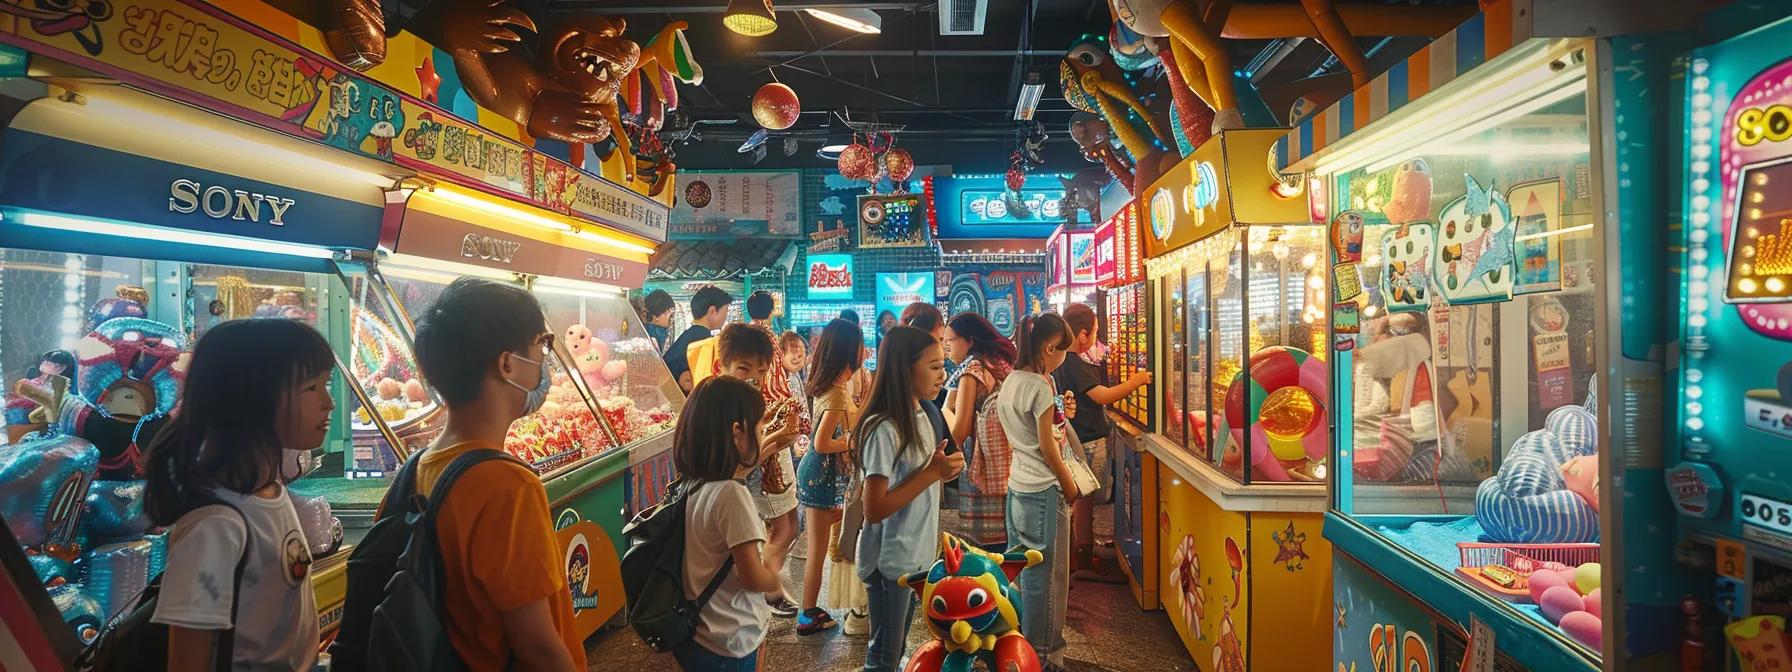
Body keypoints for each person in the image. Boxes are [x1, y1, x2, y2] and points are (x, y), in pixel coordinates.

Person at [406, 277, 583, 671]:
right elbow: (538, 648)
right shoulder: (507, 487)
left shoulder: (416, 470)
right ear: (507, 364)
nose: (544, 359)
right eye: (541, 345)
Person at [143, 319, 333, 671]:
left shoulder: (270, 494)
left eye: (326, 384)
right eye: (311, 387)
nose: (328, 403)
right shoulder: (216, 525)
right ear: (254, 397)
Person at [854, 326, 963, 671]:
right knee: (885, 655)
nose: (942, 374)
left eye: (942, 364)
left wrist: (946, 469)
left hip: (913, 554)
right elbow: (874, 508)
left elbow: (929, 473)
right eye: (933, 366)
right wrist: (932, 473)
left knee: (895, 647)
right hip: (890, 560)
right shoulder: (884, 426)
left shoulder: (925, 413)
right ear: (904, 368)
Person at [671, 377, 785, 671]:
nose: (762, 436)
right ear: (738, 433)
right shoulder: (731, 494)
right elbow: (751, 576)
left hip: (699, 632)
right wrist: (774, 579)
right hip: (728, 639)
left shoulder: (693, 485)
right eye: (760, 429)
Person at [996, 313, 1082, 671]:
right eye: (1064, 350)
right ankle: (1045, 659)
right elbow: (1048, 447)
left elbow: (1039, 434)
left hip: (1017, 488)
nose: (1066, 355)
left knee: (1022, 575)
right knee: (1048, 582)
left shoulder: (1013, 380)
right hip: (1044, 492)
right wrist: (1070, 486)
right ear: (1049, 348)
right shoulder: (1040, 386)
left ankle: (1020, 651)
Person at [715, 324, 802, 618]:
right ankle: (768, 593)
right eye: (743, 369)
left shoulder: (747, 403)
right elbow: (735, 472)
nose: (753, 379)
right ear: (721, 365)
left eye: (761, 372)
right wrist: (777, 440)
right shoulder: (719, 408)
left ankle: (765, 596)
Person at [1056, 303, 1150, 579]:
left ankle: (1082, 548)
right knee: (1086, 500)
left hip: (1077, 438)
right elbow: (1102, 396)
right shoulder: (1076, 364)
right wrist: (1137, 381)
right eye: (1095, 333)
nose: (1096, 340)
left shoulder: (1062, 362)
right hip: (1088, 440)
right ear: (1083, 334)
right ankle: (1083, 553)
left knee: (1083, 500)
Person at [794, 318, 865, 635]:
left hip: (820, 474)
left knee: (822, 547)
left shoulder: (831, 386)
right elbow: (822, 442)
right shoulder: (836, 395)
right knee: (818, 550)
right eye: (861, 346)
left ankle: (812, 608)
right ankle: (807, 613)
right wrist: (852, 441)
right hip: (820, 475)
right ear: (850, 351)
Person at [942, 312, 1018, 550]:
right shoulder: (996, 362)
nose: (946, 347)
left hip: (985, 468)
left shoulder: (972, 369)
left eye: (950, 341)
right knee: (1008, 538)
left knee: (985, 548)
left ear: (969, 341)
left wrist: (946, 410)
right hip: (1009, 461)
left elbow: (961, 430)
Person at [666, 286, 734, 393]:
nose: (725, 317)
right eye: (725, 312)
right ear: (713, 311)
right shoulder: (703, 341)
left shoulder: (689, 335)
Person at [642, 289, 677, 355]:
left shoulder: (643, 329)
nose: (671, 319)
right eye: (670, 313)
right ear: (656, 317)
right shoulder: (659, 333)